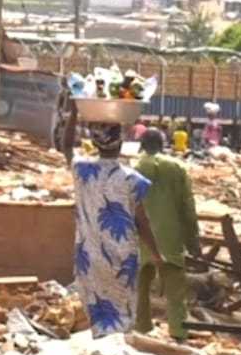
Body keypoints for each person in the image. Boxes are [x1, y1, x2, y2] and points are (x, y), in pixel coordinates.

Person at [62, 118, 165, 337]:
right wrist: (157, 253)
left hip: (88, 254)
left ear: (96, 144)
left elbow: (66, 146)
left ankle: (101, 352)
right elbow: (142, 221)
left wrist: (73, 111)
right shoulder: (132, 179)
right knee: (122, 310)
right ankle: (117, 353)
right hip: (122, 256)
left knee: (96, 305)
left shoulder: (82, 170)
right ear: (120, 144)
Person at [134, 128, 200, 340]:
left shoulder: (133, 168)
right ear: (163, 145)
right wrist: (193, 243)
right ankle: (179, 334)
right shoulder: (177, 168)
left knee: (139, 289)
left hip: (139, 240)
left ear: (142, 145)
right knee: (176, 293)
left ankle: (141, 331)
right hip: (170, 240)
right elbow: (187, 208)